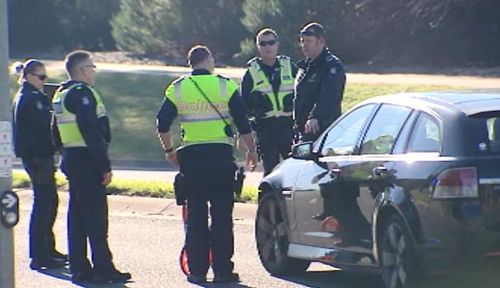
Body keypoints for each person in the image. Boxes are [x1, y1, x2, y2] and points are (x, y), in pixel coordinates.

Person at [156, 45, 257, 284]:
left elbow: (162, 123)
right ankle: (223, 271)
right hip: (220, 158)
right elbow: (243, 122)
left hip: (191, 160)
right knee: (222, 217)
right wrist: (251, 150)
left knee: (196, 216)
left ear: (191, 63)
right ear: (209, 60)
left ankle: (197, 270)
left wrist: (170, 151)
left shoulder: (178, 88)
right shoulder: (225, 85)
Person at [52, 50, 131, 284]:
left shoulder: (61, 93)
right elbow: (91, 131)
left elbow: (54, 132)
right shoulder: (82, 94)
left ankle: (79, 268)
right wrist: (104, 165)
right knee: (96, 219)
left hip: (72, 158)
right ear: (82, 70)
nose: (94, 71)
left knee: (77, 219)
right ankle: (103, 269)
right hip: (87, 160)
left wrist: (65, 154)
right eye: (92, 66)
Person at [11, 59, 67, 270]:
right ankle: (40, 255)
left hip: (38, 156)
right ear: (29, 76)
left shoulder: (29, 96)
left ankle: (47, 249)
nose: (44, 81)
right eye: (41, 77)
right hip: (37, 157)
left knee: (49, 202)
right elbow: (43, 127)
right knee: (44, 204)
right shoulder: (31, 98)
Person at [241, 28, 297, 175]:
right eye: (263, 44)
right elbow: (243, 107)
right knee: (271, 172)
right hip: (266, 130)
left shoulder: (289, 67)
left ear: (277, 45)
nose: (267, 47)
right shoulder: (251, 72)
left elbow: (304, 95)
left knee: (293, 171)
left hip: (289, 128)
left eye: (271, 43)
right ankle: (271, 198)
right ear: (258, 47)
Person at [294, 22, 346, 142]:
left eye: (308, 41)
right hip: (303, 129)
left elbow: (330, 95)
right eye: (302, 41)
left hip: (322, 129)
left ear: (320, 41)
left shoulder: (332, 66)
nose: (304, 45)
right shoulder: (305, 66)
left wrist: (315, 116)